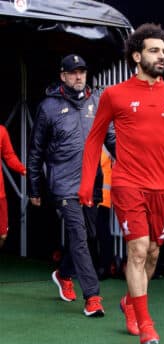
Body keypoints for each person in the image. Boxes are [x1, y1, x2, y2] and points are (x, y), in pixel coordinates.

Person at [78, 23, 164, 344]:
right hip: (128, 184)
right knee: (138, 250)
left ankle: (130, 301)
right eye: (155, 51)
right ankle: (145, 322)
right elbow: (94, 139)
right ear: (137, 55)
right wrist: (88, 185)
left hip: (163, 187)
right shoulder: (114, 94)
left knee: (153, 254)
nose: (162, 57)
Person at [28, 54, 113, 318]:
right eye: (73, 73)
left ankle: (63, 273)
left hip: (92, 182)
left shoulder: (97, 101)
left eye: (82, 72)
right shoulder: (48, 107)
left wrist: (133, 163)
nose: (79, 77)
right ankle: (93, 298)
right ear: (63, 76)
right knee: (78, 236)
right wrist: (34, 188)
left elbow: (111, 137)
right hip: (63, 184)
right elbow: (36, 151)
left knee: (89, 236)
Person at [0, 125, 26, 249]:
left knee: (2, 235)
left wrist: (24, 170)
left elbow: (9, 156)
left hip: (0, 194)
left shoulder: (2, 131)